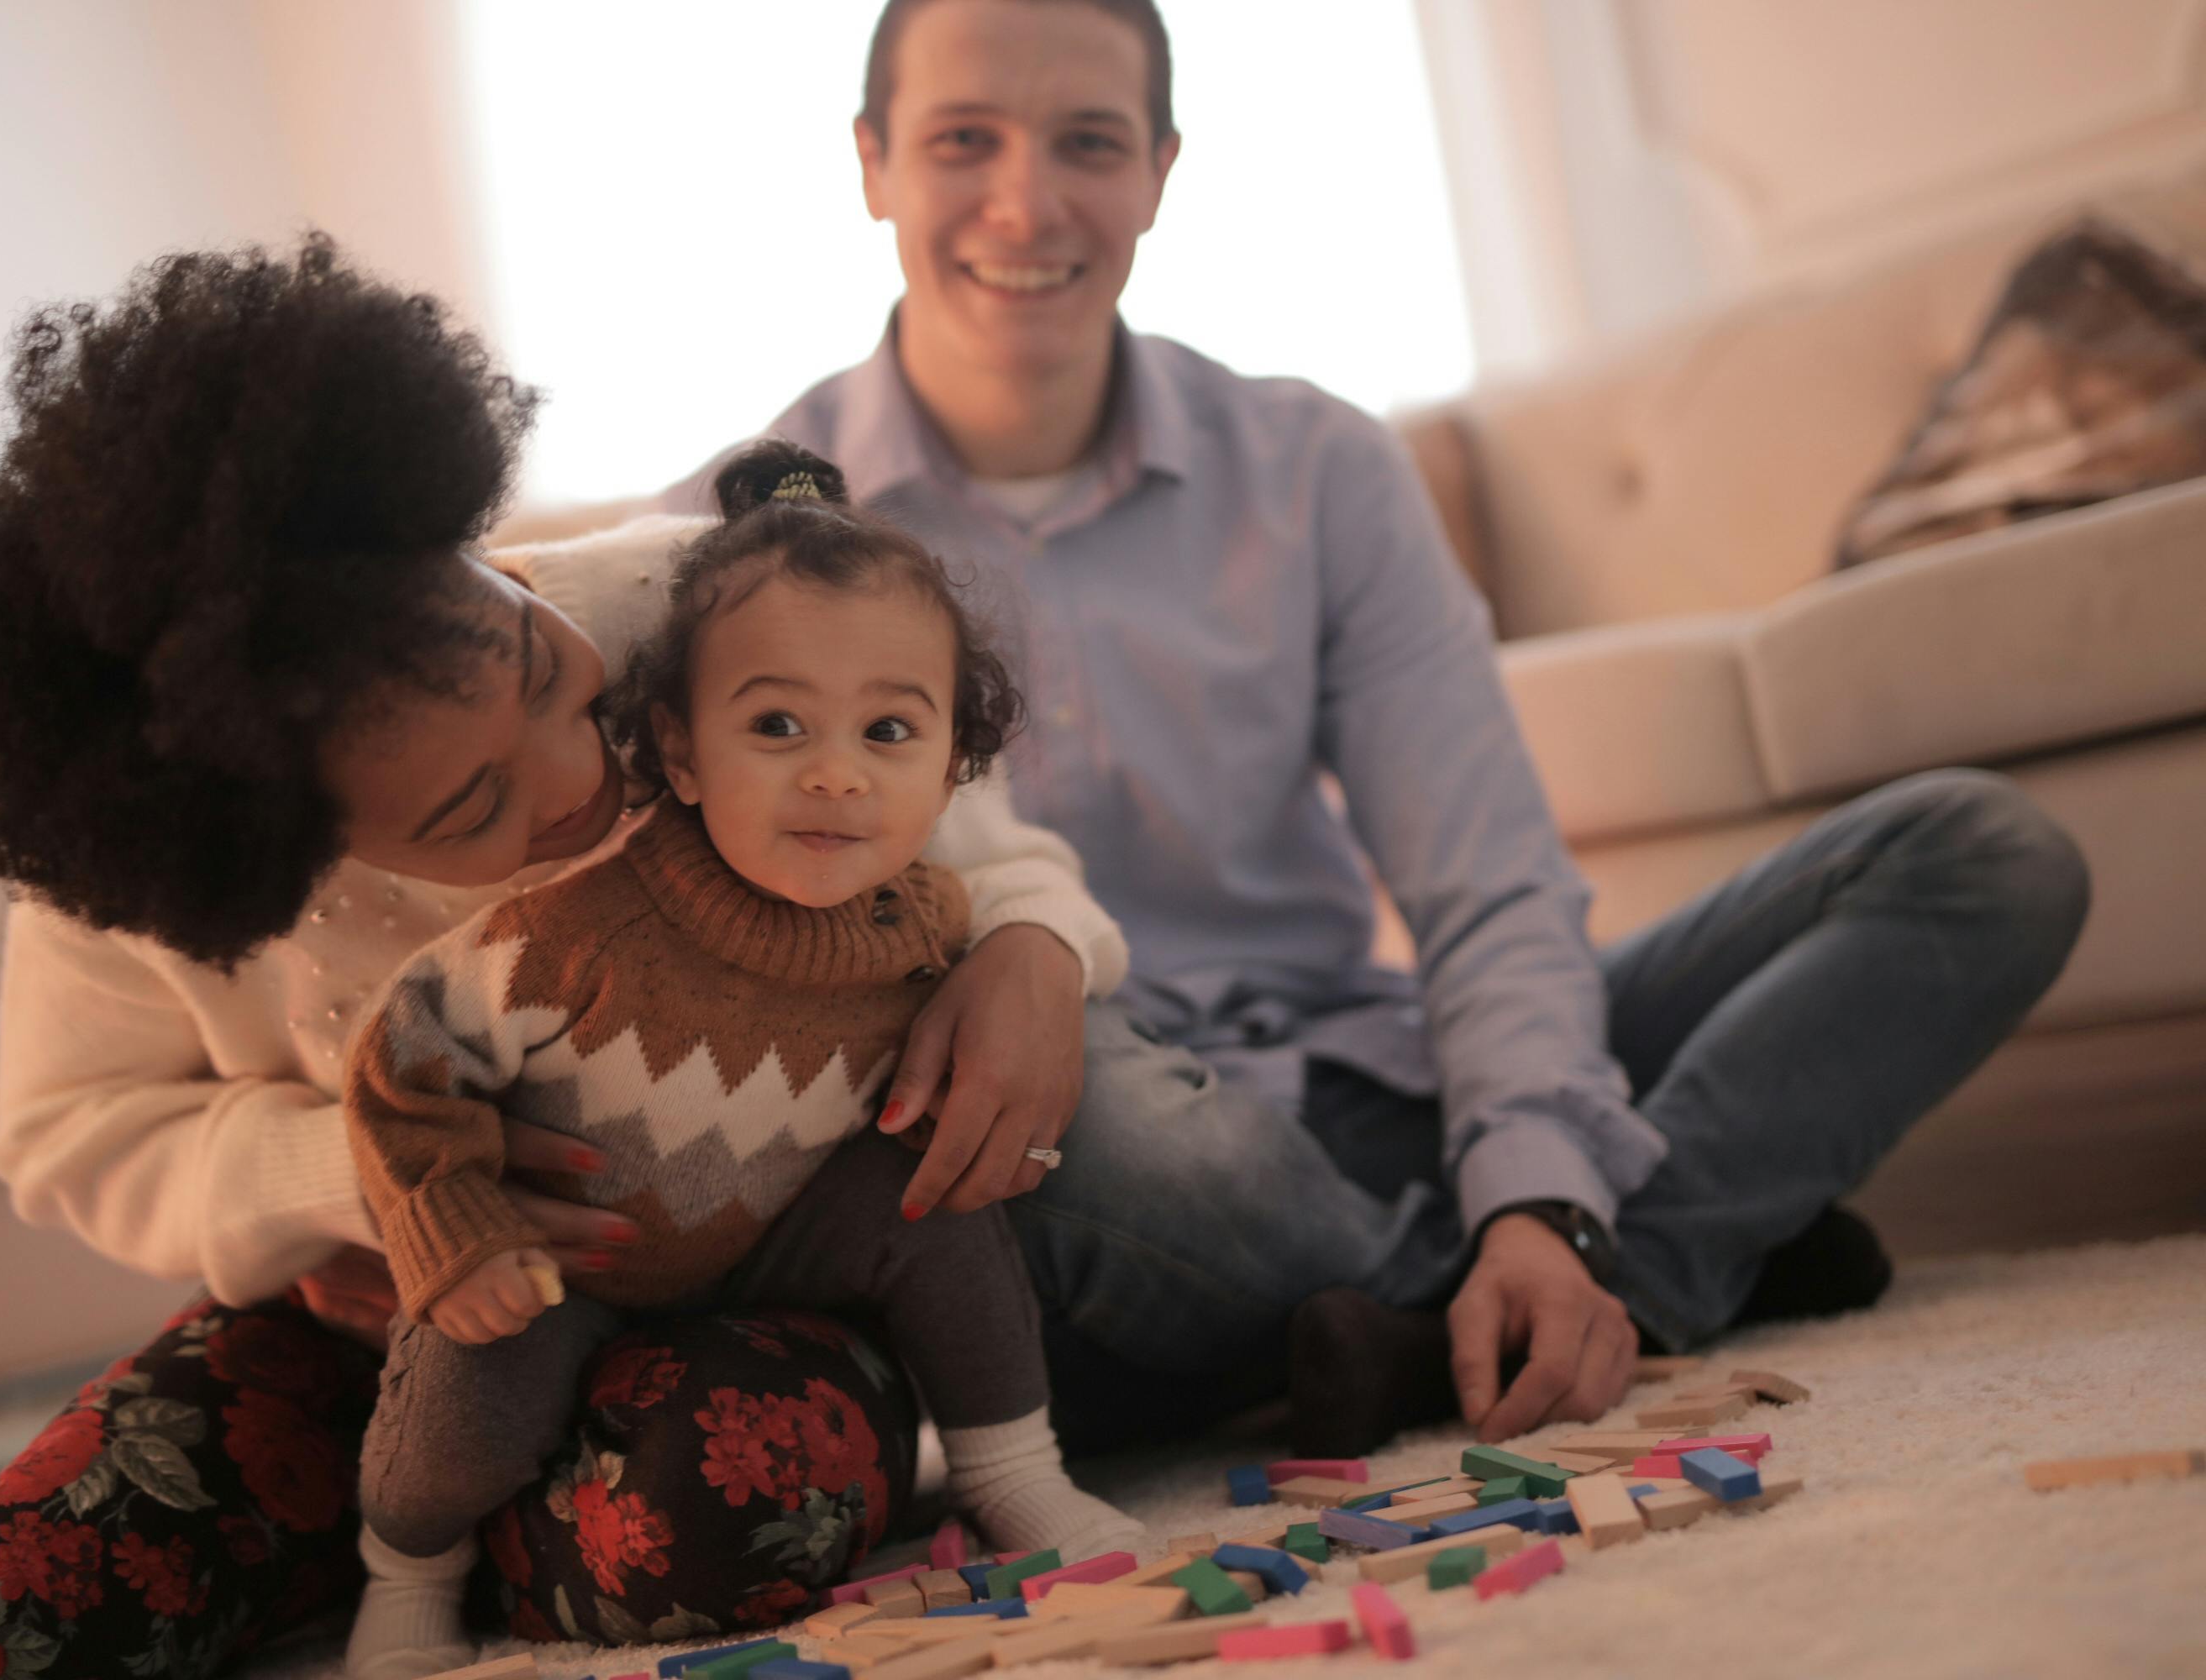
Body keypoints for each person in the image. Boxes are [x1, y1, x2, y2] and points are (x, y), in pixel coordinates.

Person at [670, 0, 2094, 1454]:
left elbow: (1487, 884)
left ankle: (1548, 1290)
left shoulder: (1317, 467)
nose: (1026, 201)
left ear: (1159, 171)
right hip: (1110, 1137)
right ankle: (1639, 1259)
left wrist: (1537, 1192)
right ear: (873, 163)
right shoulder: (738, 536)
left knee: (1982, 853)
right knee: (1099, 1139)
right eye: (964, 140)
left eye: (1087, 142)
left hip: (1378, 1077)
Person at [0, 237, 1122, 1678]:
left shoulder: (693, 605)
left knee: (712, 1520)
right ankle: (411, 1511)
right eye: (469, 808)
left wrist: (1035, 951)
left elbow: (987, 849)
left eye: (535, 662)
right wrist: (373, 1180)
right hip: (379, 1325)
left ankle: (445, 1533)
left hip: (747, 1286)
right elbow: (65, 1133)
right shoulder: (150, 867)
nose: (579, 772)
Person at [343, 441, 1142, 1680]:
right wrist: (451, 1219)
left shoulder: (924, 920)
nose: (835, 772)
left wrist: (1036, 945)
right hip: (577, 1250)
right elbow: (403, 1050)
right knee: (467, 1385)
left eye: (890, 732)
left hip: (777, 1240)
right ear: (677, 750)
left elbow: (1019, 915)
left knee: (936, 1205)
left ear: (948, 773)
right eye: (775, 725)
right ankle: (408, 1574)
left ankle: (1013, 1476)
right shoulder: (580, 936)